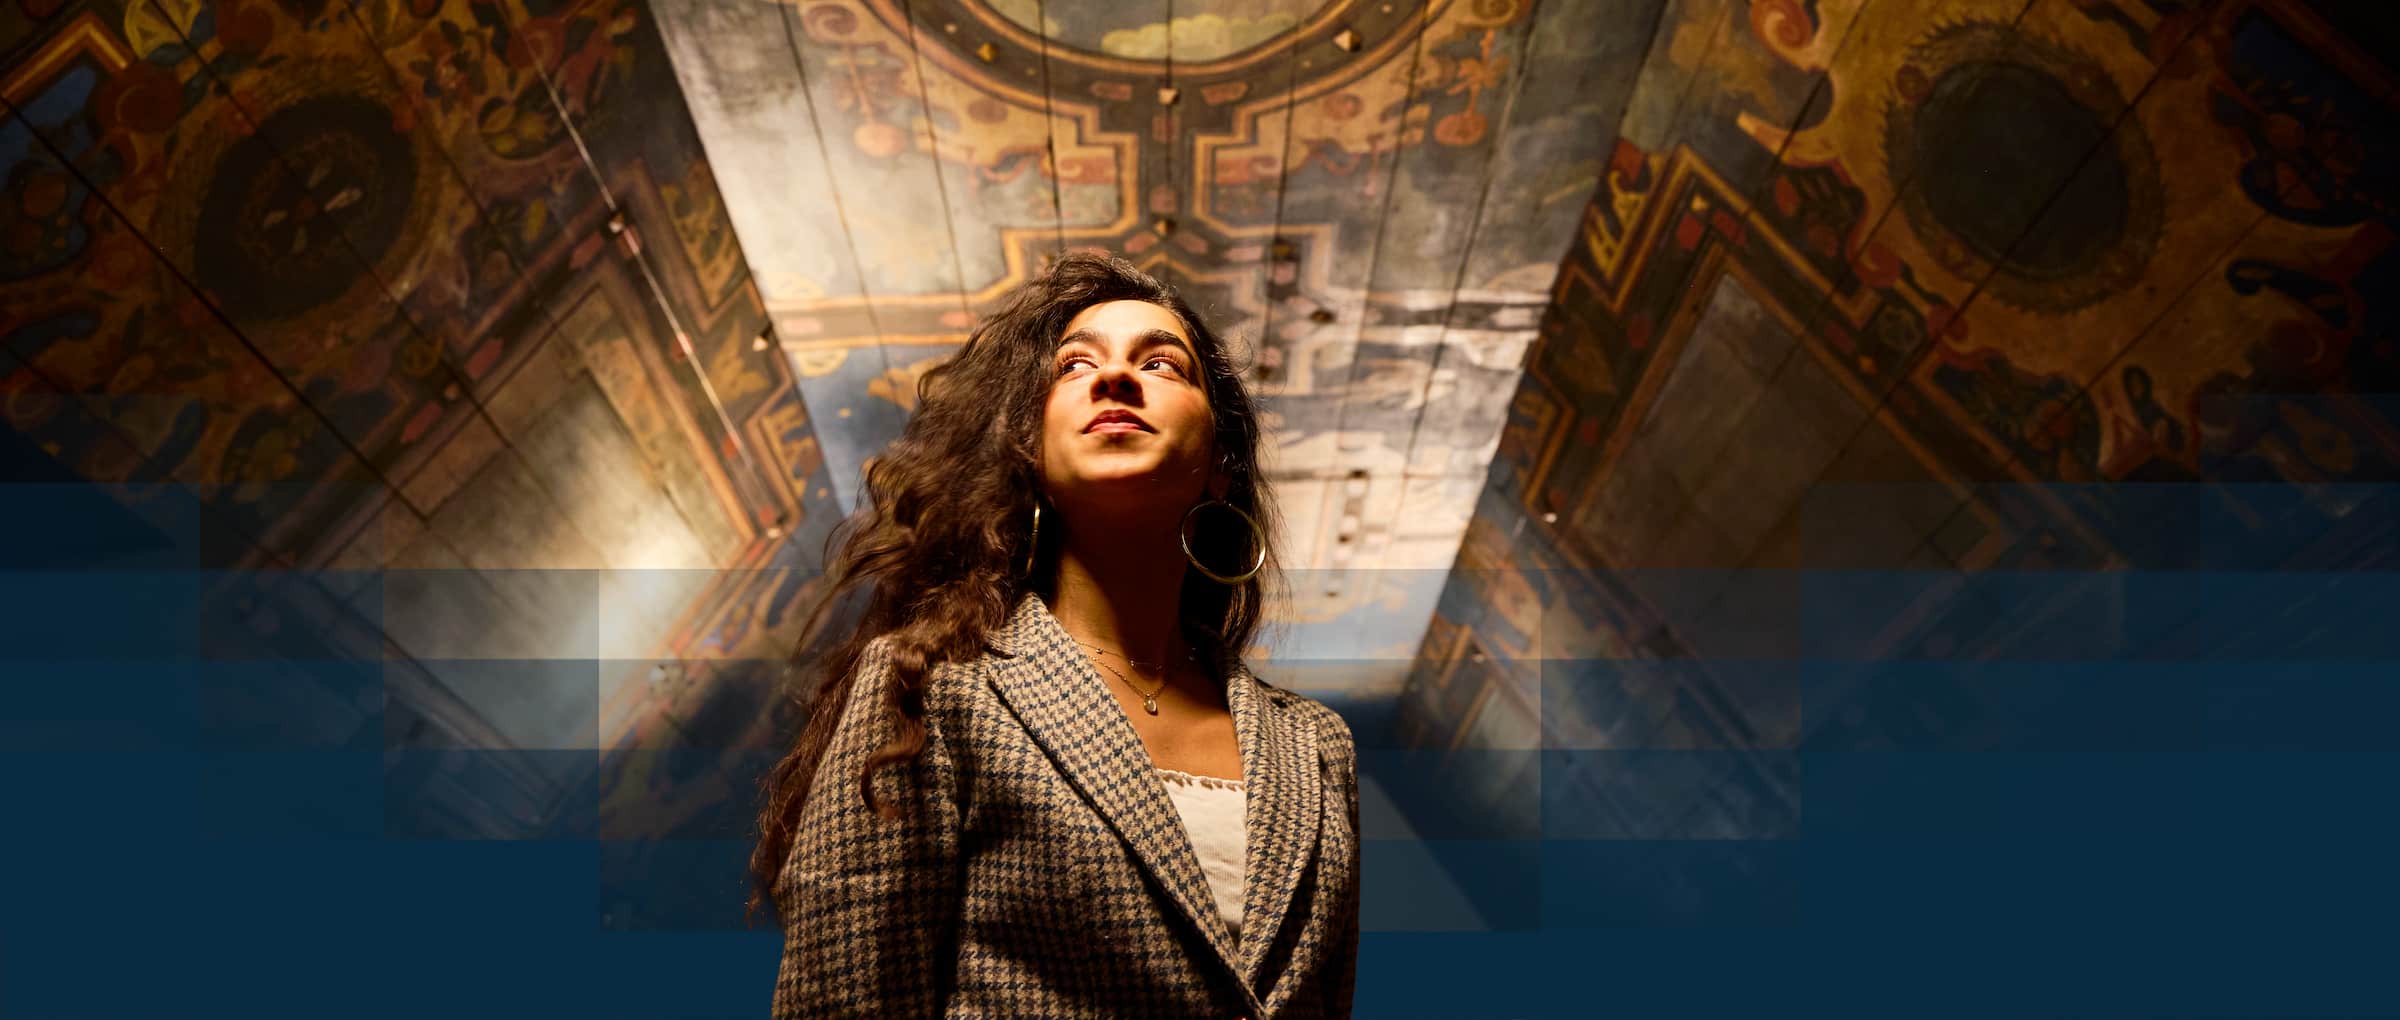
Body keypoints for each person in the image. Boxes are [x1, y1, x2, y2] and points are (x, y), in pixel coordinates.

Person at [748, 251, 1362, 1018]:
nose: (1116, 377)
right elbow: (841, 1004)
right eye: (1074, 364)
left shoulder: (1318, 747)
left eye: (1164, 364)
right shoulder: (930, 688)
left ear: (1221, 467)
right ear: (1028, 452)